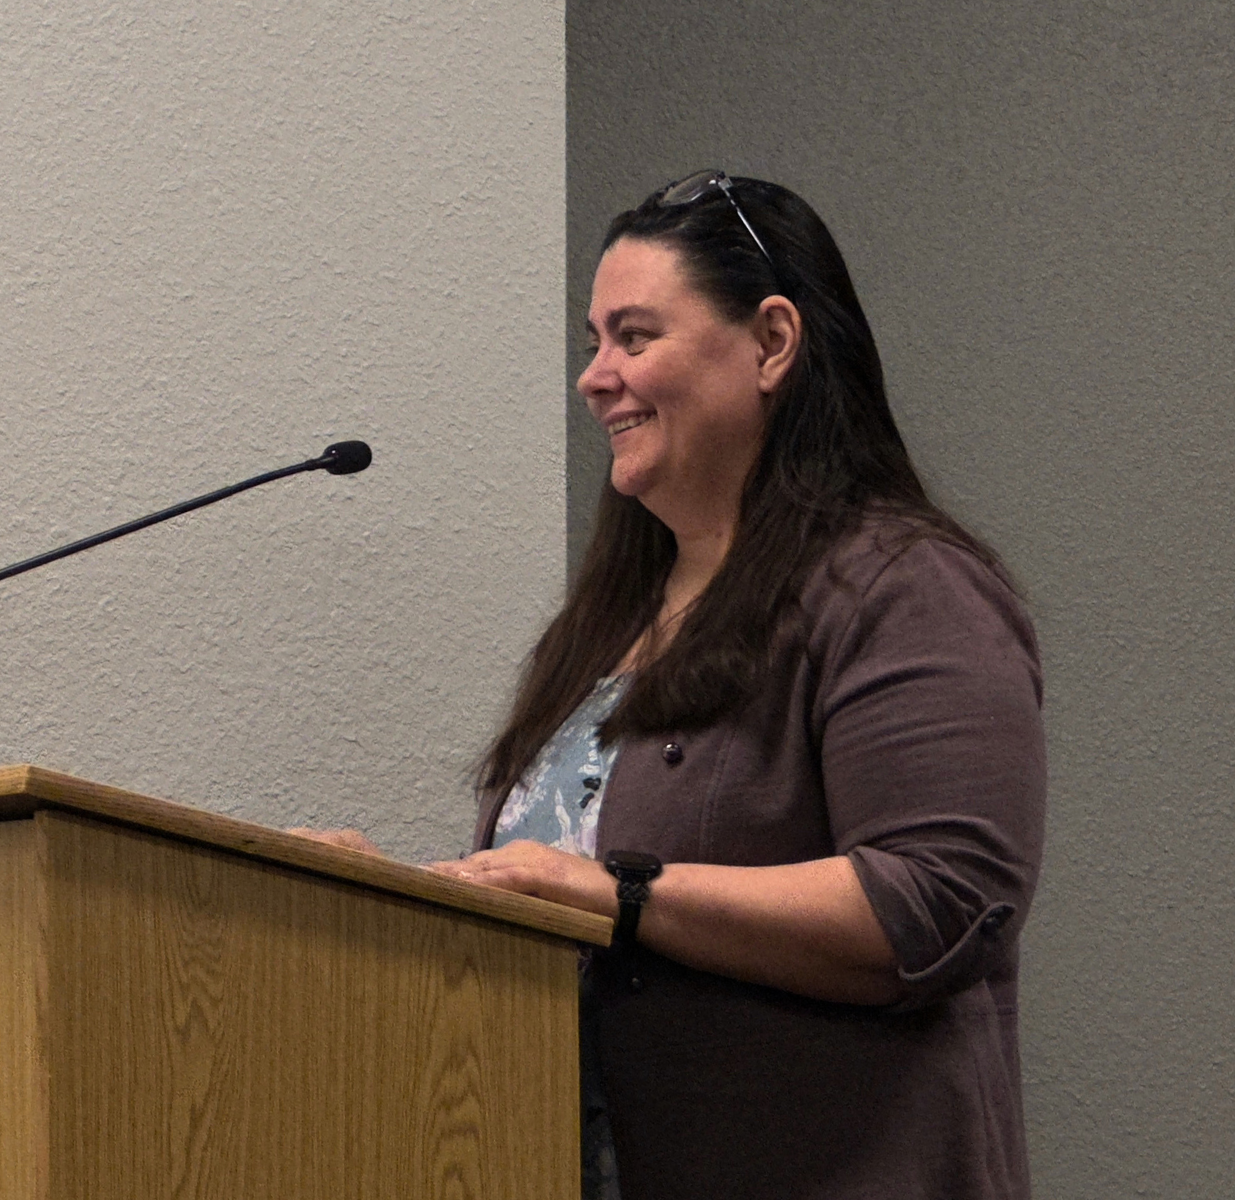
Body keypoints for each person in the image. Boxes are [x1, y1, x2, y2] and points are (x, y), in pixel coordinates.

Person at [309, 170, 1045, 1199]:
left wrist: (624, 896)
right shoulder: (607, 624)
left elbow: (940, 902)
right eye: (593, 342)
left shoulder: (902, 586)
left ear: (772, 343)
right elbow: (558, 906)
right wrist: (383, 899)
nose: (594, 378)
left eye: (635, 337)